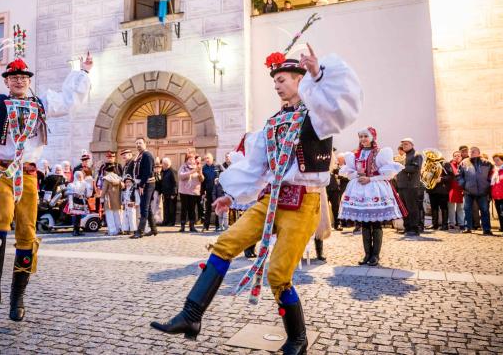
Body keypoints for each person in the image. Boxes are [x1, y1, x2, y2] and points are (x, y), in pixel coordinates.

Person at [150, 42, 361, 355]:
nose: (277, 84)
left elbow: (338, 110)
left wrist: (318, 74)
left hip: (303, 202)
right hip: (270, 199)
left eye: (283, 79)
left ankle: (297, 338)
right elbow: (256, 166)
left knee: (278, 275)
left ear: (299, 79)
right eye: (275, 81)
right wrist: (230, 196)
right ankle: (191, 316)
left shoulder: (316, 116)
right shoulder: (272, 124)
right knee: (224, 244)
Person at [0, 25, 91, 321]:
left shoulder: (41, 103)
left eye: (23, 77)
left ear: (28, 81)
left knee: (27, 232)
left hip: (27, 174)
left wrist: (84, 73)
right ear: (7, 81)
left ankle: (18, 297)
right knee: (0, 216)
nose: (18, 81)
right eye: (13, 77)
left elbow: (69, 100)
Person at [339, 127, 403, 266]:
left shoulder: (381, 153)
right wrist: (357, 175)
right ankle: (367, 254)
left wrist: (370, 179)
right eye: (360, 137)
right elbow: (350, 173)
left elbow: (387, 175)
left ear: (372, 137)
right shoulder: (355, 155)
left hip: (375, 189)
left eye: (365, 136)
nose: (363, 139)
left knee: (376, 224)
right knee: (365, 224)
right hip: (360, 191)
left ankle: (375, 255)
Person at [458, 146, 493, 235]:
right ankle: (468, 227)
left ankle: (486, 229)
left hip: (482, 191)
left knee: (484, 210)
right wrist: (463, 185)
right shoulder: (464, 163)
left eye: (473, 151)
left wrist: (487, 185)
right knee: (467, 210)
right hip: (468, 191)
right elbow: (459, 176)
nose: (471, 153)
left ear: (478, 153)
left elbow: (491, 175)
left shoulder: (487, 163)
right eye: (470, 151)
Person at [396, 138, 423, 236]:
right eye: (403, 144)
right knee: (404, 208)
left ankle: (414, 228)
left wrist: (400, 167)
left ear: (412, 145)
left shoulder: (417, 155)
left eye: (406, 144)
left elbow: (415, 168)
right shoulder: (403, 156)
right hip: (402, 185)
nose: (404, 146)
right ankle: (407, 227)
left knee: (412, 208)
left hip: (411, 185)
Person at [130, 137, 157, 239]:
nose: (138, 145)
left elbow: (147, 171)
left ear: (145, 144)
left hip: (147, 184)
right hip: (143, 184)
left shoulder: (147, 155)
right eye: (136, 143)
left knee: (143, 207)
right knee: (147, 207)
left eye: (140, 143)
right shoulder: (140, 155)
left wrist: (141, 185)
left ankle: (140, 231)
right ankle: (154, 229)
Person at [421, 149, 450, 230]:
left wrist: (441, 179)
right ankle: (435, 224)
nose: (430, 158)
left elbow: (450, 176)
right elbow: (424, 175)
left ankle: (445, 225)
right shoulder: (427, 164)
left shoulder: (445, 164)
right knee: (434, 207)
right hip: (432, 189)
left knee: (443, 207)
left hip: (442, 190)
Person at [178, 155, 202, 233]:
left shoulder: (197, 167)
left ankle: (192, 226)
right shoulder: (183, 167)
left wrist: (200, 173)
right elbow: (181, 176)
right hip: (184, 191)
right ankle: (182, 226)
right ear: (186, 160)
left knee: (192, 209)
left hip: (194, 191)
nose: (192, 160)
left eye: (192, 159)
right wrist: (193, 171)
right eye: (190, 159)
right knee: (184, 209)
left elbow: (202, 179)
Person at [200, 153, 224, 232]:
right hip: (209, 191)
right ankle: (206, 226)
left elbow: (224, 176)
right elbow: (202, 182)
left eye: (208, 158)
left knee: (217, 208)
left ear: (212, 158)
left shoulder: (217, 167)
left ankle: (218, 225)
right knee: (208, 209)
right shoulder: (204, 168)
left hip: (217, 192)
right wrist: (202, 192)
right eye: (205, 158)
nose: (207, 159)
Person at [67, 171, 91, 236]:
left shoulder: (85, 183)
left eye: (80, 176)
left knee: (79, 216)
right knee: (76, 216)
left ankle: (77, 230)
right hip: (75, 201)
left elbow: (88, 193)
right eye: (78, 176)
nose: (79, 177)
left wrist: (86, 195)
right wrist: (71, 204)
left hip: (82, 201)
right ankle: (75, 230)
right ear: (75, 176)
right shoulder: (72, 184)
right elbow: (69, 194)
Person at [101, 164, 123, 236]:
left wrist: (101, 198)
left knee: (109, 215)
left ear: (106, 171)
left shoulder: (106, 179)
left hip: (108, 199)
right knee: (117, 215)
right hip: (117, 198)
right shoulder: (119, 178)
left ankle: (112, 231)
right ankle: (119, 229)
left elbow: (104, 190)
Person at [446, 151, 464, 230]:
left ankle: (461, 223)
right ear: (453, 157)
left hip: (461, 188)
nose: (457, 157)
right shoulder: (449, 165)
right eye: (455, 156)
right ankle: (451, 223)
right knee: (451, 207)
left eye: (458, 156)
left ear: (461, 157)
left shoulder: (464, 164)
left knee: (460, 207)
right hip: (452, 188)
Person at [159, 158, 178, 226]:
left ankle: (171, 222)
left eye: (163, 164)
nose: (162, 165)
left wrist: (174, 193)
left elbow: (175, 183)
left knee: (171, 209)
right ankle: (166, 221)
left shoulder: (172, 171)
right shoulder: (164, 171)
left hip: (171, 194)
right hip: (165, 193)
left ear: (166, 164)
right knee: (166, 208)